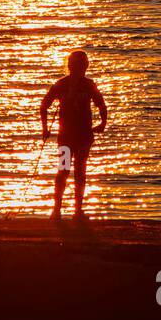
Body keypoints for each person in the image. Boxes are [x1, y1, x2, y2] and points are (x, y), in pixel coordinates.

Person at [40, 50, 108, 222]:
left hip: (81, 136)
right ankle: (61, 210)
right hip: (69, 137)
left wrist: (102, 123)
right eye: (80, 65)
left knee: (75, 171)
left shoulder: (83, 84)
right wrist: (45, 128)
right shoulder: (64, 85)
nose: (81, 69)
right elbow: (44, 105)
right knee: (67, 171)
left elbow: (101, 105)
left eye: (82, 66)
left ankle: (71, 211)